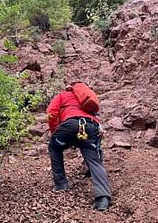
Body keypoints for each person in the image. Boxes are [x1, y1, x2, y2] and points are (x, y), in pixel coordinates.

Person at [46, 82, 112, 211]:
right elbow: (95, 117)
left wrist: (55, 132)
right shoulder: (88, 98)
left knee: (54, 146)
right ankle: (103, 198)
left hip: (69, 126)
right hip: (90, 127)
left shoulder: (63, 95)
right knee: (93, 158)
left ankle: (61, 184)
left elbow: (51, 113)